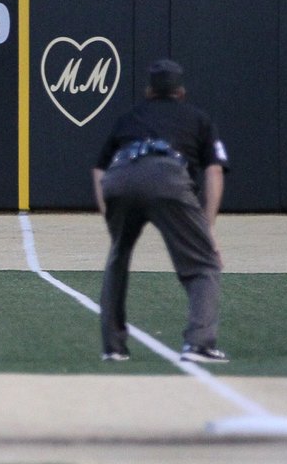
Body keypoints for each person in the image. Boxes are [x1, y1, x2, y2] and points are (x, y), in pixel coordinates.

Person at [91, 59, 231, 364]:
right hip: (168, 174)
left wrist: (110, 219)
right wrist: (207, 230)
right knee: (204, 263)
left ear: (149, 91)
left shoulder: (129, 118)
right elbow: (214, 173)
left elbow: (99, 170)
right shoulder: (198, 118)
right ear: (180, 92)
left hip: (120, 176)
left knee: (118, 255)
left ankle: (113, 347)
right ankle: (198, 344)